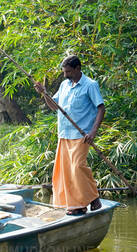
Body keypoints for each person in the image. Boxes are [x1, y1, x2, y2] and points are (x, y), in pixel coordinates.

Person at [34, 55, 105, 216]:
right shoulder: (64, 85)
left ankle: (93, 197)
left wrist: (93, 132)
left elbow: (101, 108)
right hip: (64, 134)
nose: (65, 75)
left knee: (77, 167)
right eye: (64, 72)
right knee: (65, 172)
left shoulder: (90, 85)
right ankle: (76, 205)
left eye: (68, 72)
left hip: (81, 134)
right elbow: (54, 106)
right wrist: (44, 93)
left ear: (78, 68)